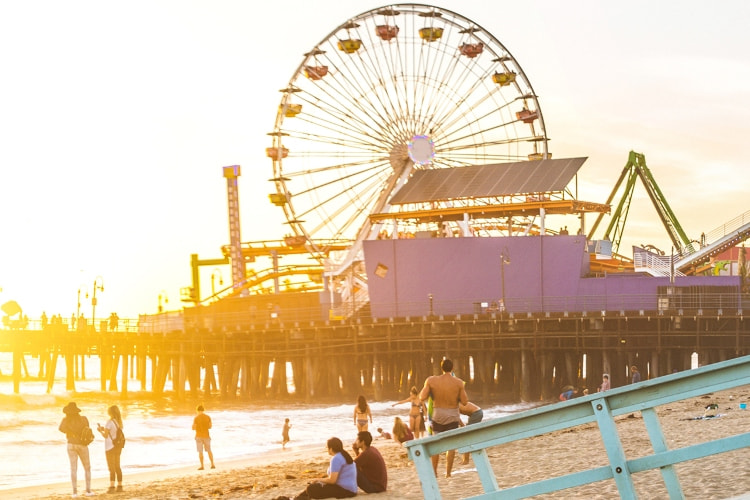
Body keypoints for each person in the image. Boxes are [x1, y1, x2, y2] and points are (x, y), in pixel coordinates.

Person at [419, 358, 468, 477]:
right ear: (452, 368)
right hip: (452, 415)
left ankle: (434, 472)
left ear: (441, 368)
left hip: (438, 415)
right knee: (450, 446)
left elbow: (422, 397)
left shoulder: (431, 380)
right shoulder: (458, 382)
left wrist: (430, 389)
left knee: (436, 443)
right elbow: (465, 402)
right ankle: (448, 473)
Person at [291, 437, 357, 499]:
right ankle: (295, 498)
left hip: (345, 490)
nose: (326, 449)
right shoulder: (343, 455)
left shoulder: (336, 458)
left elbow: (332, 480)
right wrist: (320, 481)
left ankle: (296, 498)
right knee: (315, 486)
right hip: (350, 489)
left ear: (331, 448)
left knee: (311, 488)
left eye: (327, 447)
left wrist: (318, 479)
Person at [58, 402, 94, 497]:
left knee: (73, 468)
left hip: (70, 444)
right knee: (87, 467)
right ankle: (88, 491)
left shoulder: (65, 420)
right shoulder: (83, 419)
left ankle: (74, 492)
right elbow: (87, 428)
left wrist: (69, 431)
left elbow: (60, 429)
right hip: (82, 444)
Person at [97, 405, 124, 493]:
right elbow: (113, 432)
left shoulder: (109, 422)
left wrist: (100, 431)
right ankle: (120, 486)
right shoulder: (119, 422)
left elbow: (106, 435)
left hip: (110, 446)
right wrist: (104, 429)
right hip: (118, 446)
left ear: (110, 412)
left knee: (111, 467)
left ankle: (112, 487)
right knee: (117, 466)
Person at [192, 404, 215, 470]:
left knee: (200, 451)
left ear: (197, 410)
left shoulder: (196, 418)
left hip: (199, 436)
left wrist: (194, 427)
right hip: (206, 436)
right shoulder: (208, 417)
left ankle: (202, 466)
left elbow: (194, 428)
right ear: (203, 410)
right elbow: (210, 427)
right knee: (209, 450)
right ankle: (212, 464)